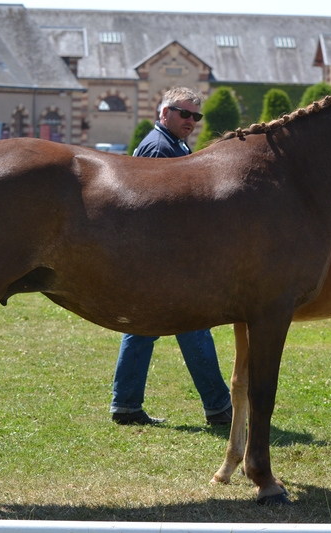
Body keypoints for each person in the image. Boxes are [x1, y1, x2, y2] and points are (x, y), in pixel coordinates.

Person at [111, 87, 232, 426]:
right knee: (191, 322)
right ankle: (220, 406)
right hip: (160, 259)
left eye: (197, 116)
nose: (191, 121)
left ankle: (126, 405)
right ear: (165, 113)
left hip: (156, 257)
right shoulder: (159, 146)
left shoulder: (171, 144)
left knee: (143, 328)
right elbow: (154, 207)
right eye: (185, 114)